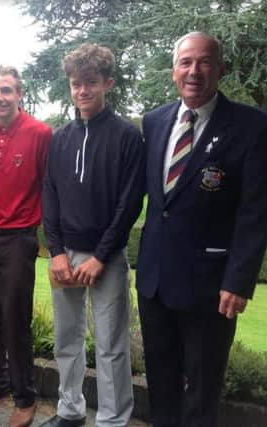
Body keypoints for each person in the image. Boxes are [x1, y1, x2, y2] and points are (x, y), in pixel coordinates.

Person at [136, 31, 267, 427]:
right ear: (174, 70)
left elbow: (255, 212)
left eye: (204, 61)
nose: (194, 71)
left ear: (221, 69)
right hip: (155, 278)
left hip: (211, 285)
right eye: (185, 62)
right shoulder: (155, 121)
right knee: (160, 378)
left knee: (203, 384)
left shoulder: (251, 126)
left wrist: (239, 280)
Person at [41, 43, 145, 427]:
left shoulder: (127, 137)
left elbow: (130, 203)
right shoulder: (61, 137)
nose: (82, 91)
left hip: (108, 259)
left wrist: (101, 256)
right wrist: (55, 251)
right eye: (75, 84)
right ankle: (70, 412)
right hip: (65, 255)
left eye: (90, 83)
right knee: (66, 341)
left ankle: (112, 421)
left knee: (111, 347)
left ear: (108, 84)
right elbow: (49, 193)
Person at [0, 66, 52, 427]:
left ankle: (24, 396)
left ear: (20, 93)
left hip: (19, 237)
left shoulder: (40, 133)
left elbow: (50, 187)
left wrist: (48, 240)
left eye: (5, 90)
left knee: (15, 317)